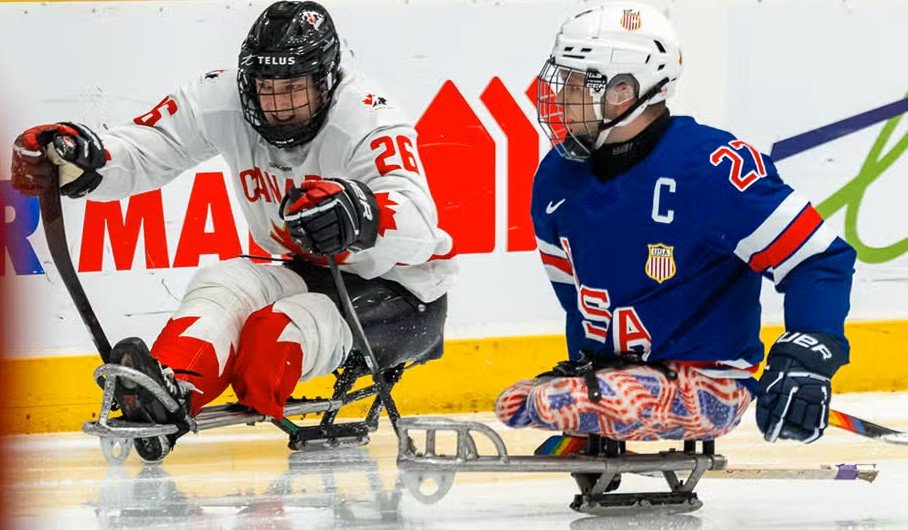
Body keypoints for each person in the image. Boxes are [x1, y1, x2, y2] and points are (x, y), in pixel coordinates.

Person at [10, 1, 455, 460]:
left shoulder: (367, 118)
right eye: (266, 87)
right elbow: (147, 149)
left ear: (326, 80)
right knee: (223, 283)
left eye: (294, 87)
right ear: (247, 80)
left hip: (404, 293)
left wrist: (361, 213)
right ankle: (167, 395)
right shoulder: (219, 98)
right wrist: (82, 159)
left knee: (270, 339)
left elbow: (420, 222)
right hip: (306, 270)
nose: (279, 104)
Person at [495, 2, 855, 448]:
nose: (557, 94)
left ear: (623, 91)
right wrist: (588, 384)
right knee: (516, 402)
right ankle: (598, 411)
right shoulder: (555, 178)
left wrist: (808, 354)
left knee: (554, 403)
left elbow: (819, 258)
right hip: (617, 374)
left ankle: (603, 406)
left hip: (705, 386)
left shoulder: (709, 168)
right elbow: (579, 309)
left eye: (575, 81)